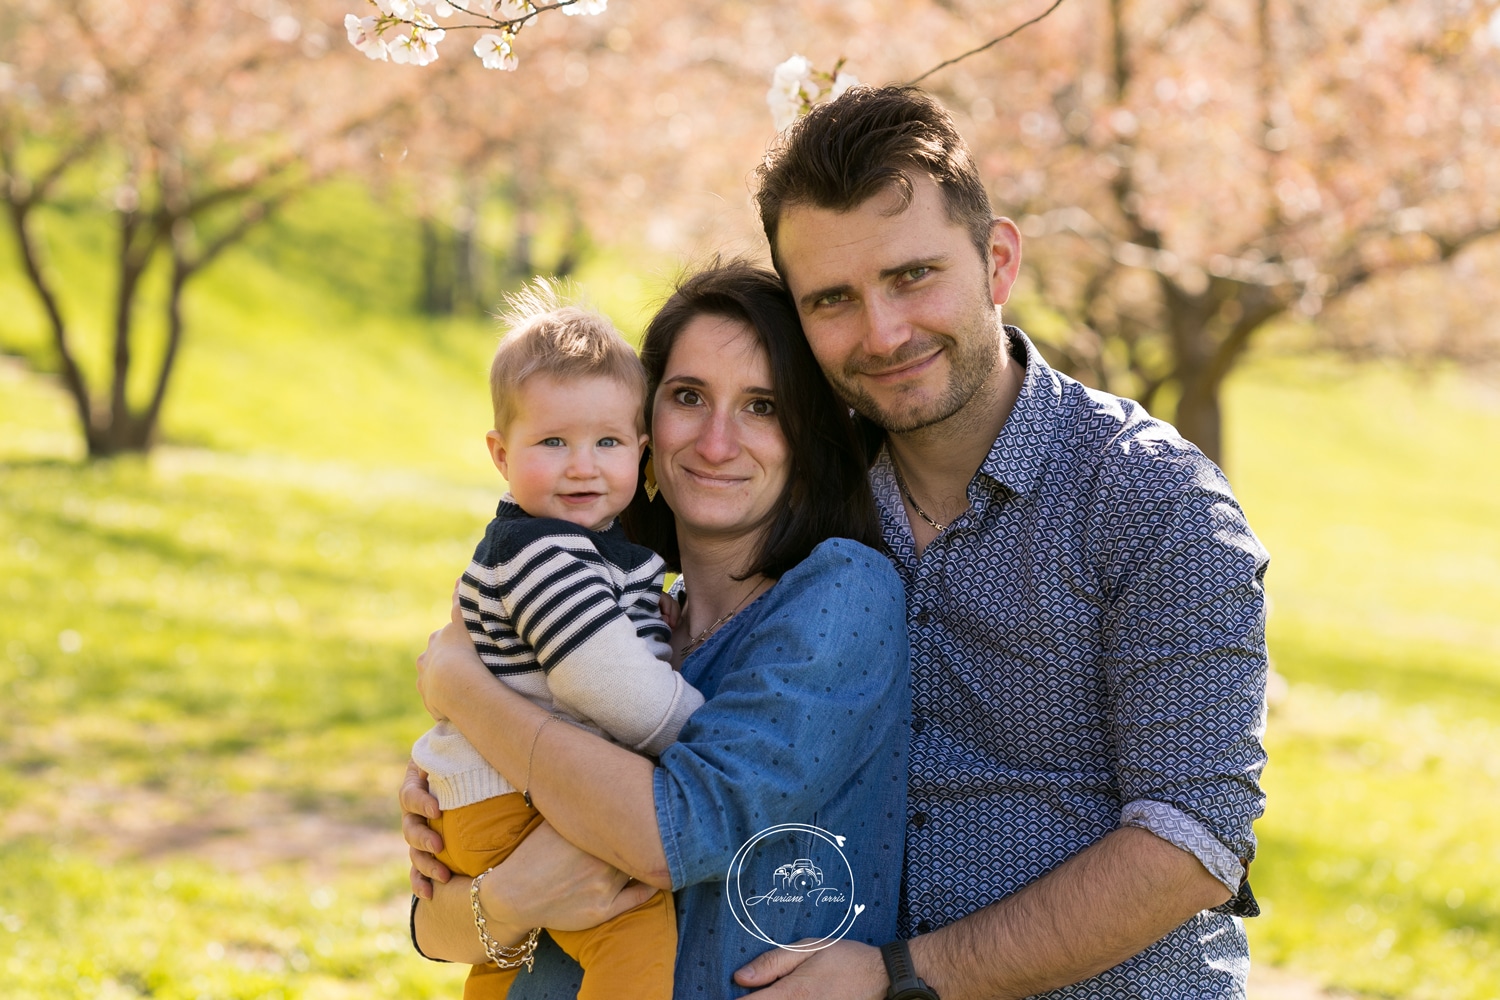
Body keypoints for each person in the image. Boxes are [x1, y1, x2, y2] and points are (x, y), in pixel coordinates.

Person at [732, 86, 1269, 999]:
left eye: (912, 276)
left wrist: (900, 977)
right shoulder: (809, 496)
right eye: (833, 299)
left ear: (997, 260)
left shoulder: (1151, 498)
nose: (884, 333)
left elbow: (1193, 840)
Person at [402, 262, 912, 997]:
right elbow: (432, 928)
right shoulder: (617, 619)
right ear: (645, 426)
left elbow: (671, 830)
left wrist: (465, 692)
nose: (714, 442)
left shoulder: (842, 594)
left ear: (810, 434)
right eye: (687, 396)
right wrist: (507, 897)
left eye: (762, 406)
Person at [410, 289, 703, 999]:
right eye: (553, 443)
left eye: (607, 443)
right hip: (517, 798)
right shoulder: (546, 555)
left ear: (640, 450)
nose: (583, 466)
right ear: (501, 455)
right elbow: (605, 684)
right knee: (634, 941)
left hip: (491, 795)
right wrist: (702, 732)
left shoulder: (581, 547)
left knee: (506, 964)